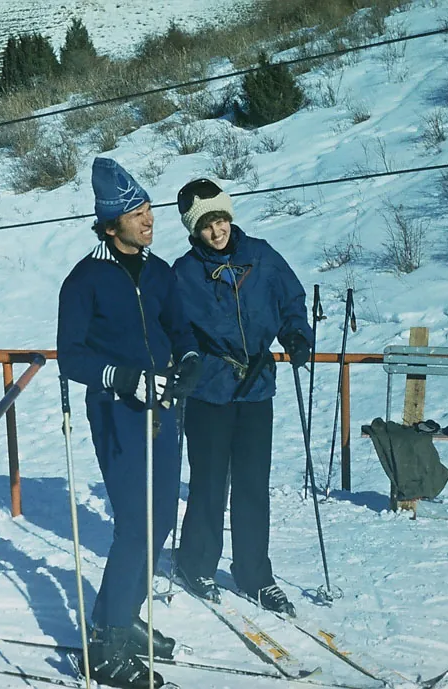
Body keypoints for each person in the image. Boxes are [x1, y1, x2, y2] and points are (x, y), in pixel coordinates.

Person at [57, 158, 203, 689]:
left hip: (165, 408)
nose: (149, 220)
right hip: (118, 412)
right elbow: (70, 355)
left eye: (149, 210)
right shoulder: (85, 279)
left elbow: (180, 330)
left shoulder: (160, 271)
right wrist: (122, 379)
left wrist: (187, 361)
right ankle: (104, 638)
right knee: (135, 524)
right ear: (111, 222)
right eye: (138, 213)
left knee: (161, 520)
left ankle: (124, 614)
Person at [170, 178, 312, 617]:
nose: (217, 231)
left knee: (252, 485)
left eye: (221, 220)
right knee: (210, 482)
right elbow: (176, 326)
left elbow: (292, 300)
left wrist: (296, 334)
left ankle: (255, 575)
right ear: (195, 230)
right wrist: (186, 359)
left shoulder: (262, 257)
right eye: (207, 225)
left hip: (256, 388)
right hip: (209, 388)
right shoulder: (184, 272)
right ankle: (196, 563)